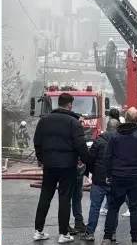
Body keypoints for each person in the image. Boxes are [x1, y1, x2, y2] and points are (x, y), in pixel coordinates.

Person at [33, 93, 94, 243]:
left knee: (45, 196)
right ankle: (63, 234)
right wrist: (90, 163)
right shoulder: (73, 122)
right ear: (70, 105)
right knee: (65, 198)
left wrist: (42, 159)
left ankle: (38, 231)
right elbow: (80, 145)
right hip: (68, 166)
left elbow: (37, 142)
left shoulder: (44, 121)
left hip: (49, 166)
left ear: (58, 103)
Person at [102, 109, 137, 245]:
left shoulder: (114, 136)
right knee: (135, 210)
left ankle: (107, 237)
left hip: (118, 176)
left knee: (113, 207)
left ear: (124, 118)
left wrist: (109, 173)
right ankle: (135, 240)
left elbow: (107, 157)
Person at [83, 119, 120, 241]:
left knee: (95, 207)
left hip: (99, 179)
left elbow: (90, 158)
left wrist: (91, 172)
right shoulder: (121, 141)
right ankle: (112, 234)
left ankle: (90, 233)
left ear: (107, 127)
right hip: (115, 179)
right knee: (113, 208)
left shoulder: (99, 140)